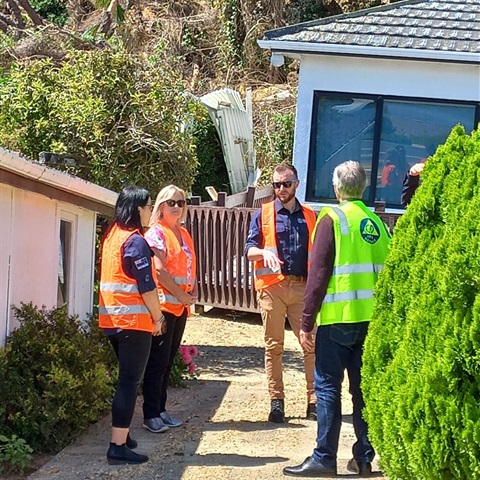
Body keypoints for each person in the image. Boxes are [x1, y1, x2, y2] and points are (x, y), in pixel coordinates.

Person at [283, 161, 391, 477]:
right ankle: (364, 457)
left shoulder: (332, 220)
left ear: (336, 188)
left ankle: (324, 458)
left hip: (338, 320)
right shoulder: (377, 222)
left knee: (328, 387)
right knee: (362, 391)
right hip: (371, 322)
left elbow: (318, 276)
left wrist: (305, 322)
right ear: (363, 188)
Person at [245, 164, 317, 423]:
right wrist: (263, 252)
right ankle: (277, 402)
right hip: (272, 288)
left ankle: (314, 401)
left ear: (297, 183)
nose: (281, 189)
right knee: (274, 347)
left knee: (310, 344)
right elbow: (249, 250)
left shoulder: (309, 216)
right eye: (276, 185)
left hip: (302, 288)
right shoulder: (262, 214)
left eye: (286, 184)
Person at [99, 186, 165, 465]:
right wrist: (159, 317)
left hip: (112, 322)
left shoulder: (112, 236)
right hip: (134, 323)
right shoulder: (136, 242)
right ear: (139, 209)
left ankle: (123, 436)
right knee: (128, 382)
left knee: (126, 379)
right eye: (150, 207)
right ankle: (117, 446)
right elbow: (147, 287)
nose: (151, 211)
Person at [142, 185, 197, 433]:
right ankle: (151, 414)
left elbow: (186, 268)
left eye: (181, 202)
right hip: (164, 306)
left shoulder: (183, 233)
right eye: (171, 202)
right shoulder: (157, 233)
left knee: (167, 361)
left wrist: (191, 293)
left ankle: (161, 410)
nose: (176, 207)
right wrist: (182, 295)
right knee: (157, 361)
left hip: (180, 307)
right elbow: (160, 271)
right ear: (161, 206)